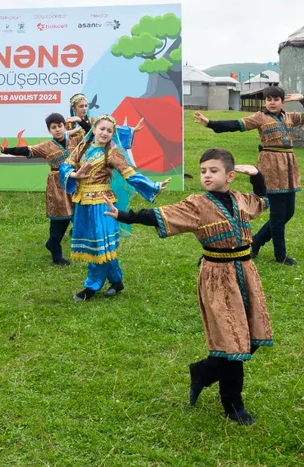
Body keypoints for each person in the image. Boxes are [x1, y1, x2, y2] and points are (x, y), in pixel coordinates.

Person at [108, 149, 272, 425]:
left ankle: (204, 372)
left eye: (214, 171)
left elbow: (263, 200)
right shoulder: (197, 205)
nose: (207, 175)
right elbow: (160, 214)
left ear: (230, 176)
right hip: (217, 277)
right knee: (232, 342)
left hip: (246, 273)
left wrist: (257, 176)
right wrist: (124, 215)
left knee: (251, 339)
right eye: (203, 170)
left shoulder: (242, 200)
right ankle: (233, 404)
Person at [195, 85, 304, 264]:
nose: (272, 103)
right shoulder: (259, 117)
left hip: (289, 167)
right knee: (277, 214)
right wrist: (210, 123)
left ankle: (257, 241)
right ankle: (280, 255)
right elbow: (236, 125)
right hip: (271, 166)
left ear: (282, 101)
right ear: (265, 101)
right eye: (269, 99)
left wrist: (302, 98)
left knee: (288, 212)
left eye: (276, 99)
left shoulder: (290, 117)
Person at [60, 115, 168, 301]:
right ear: (94, 129)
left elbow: (129, 173)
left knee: (100, 246)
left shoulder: (112, 153)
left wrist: (153, 185)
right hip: (83, 203)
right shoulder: (83, 148)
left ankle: (91, 287)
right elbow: (65, 165)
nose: (105, 133)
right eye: (102, 129)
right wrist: (75, 175)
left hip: (103, 204)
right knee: (103, 245)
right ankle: (117, 281)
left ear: (112, 135)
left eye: (109, 131)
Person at [0, 112, 84, 265]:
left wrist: (80, 120)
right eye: (53, 127)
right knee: (59, 217)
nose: (57, 129)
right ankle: (56, 252)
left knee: (74, 215)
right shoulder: (46, 146)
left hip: (74, 182)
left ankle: (55, 243)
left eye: (60, 126)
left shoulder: (76, 141)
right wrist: (5, 150)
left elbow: (92, 134)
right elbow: (26, 150)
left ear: (65, 126)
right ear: (49, 130)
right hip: (57, 185)